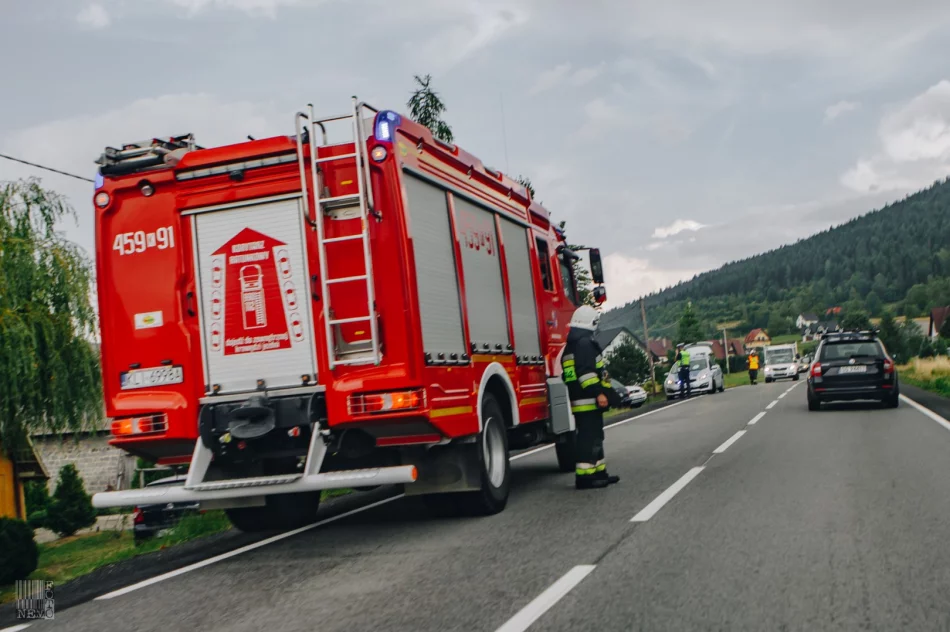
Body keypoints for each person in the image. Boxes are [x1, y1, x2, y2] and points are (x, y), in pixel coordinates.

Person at [561, 305, 620, 490]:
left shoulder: (572, 345)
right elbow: (586, 374)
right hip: (589, 400)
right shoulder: (584, 344)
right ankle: (586, 478)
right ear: (591, 323)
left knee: (594, 437)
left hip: (580, 400)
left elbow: (569, 376)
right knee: (589, 438)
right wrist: (600, 393)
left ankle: (598, 473)